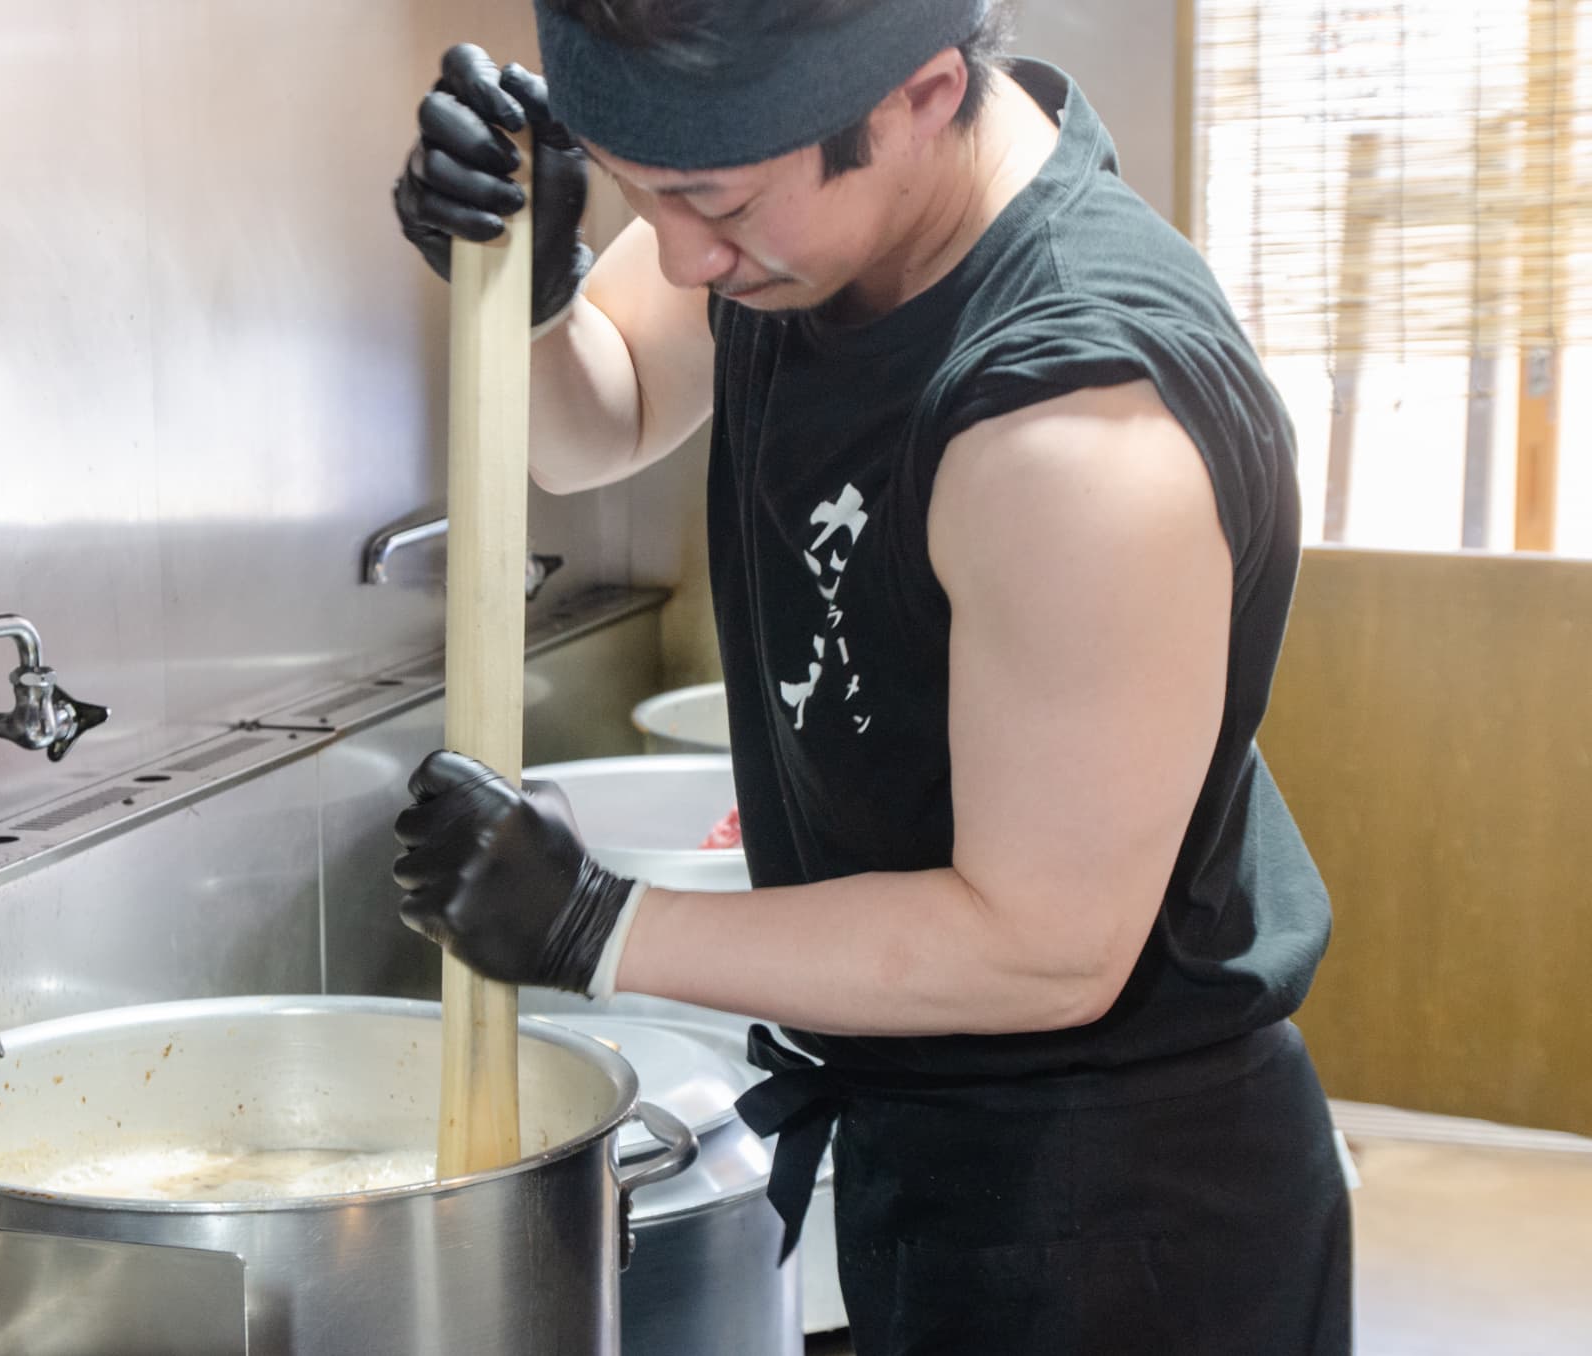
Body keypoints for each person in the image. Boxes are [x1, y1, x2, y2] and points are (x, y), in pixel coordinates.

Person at [389, 1, 1353, 1351]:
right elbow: (593, 422)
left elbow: (1043, 950)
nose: (678, 254)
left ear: (921, 95)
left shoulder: (1074, 430)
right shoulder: (797, 216)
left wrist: (595, 925)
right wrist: (531, 297)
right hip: (921, 1133)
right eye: (633, 193)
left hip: (1119, 1211)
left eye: (708, 202)